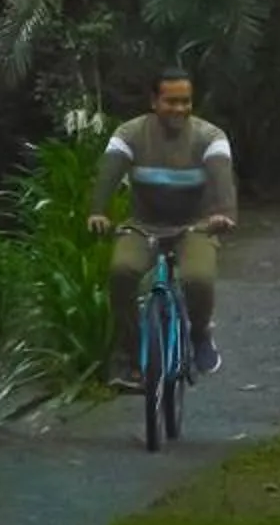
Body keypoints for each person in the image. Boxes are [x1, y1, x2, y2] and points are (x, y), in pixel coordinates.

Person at [87, 68, 237, 385]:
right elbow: (108, 174)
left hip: (194, 227)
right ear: (154, 101)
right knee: (122, 272)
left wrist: (224, 213)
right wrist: (97, 211)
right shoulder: (131, 134)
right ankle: (130, 355)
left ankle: (199, 335)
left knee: (198, 278)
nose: (179, 109)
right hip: (144, 226)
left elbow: (223, 179)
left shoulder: (209, 137)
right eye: (171, 101)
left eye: (186, 101)